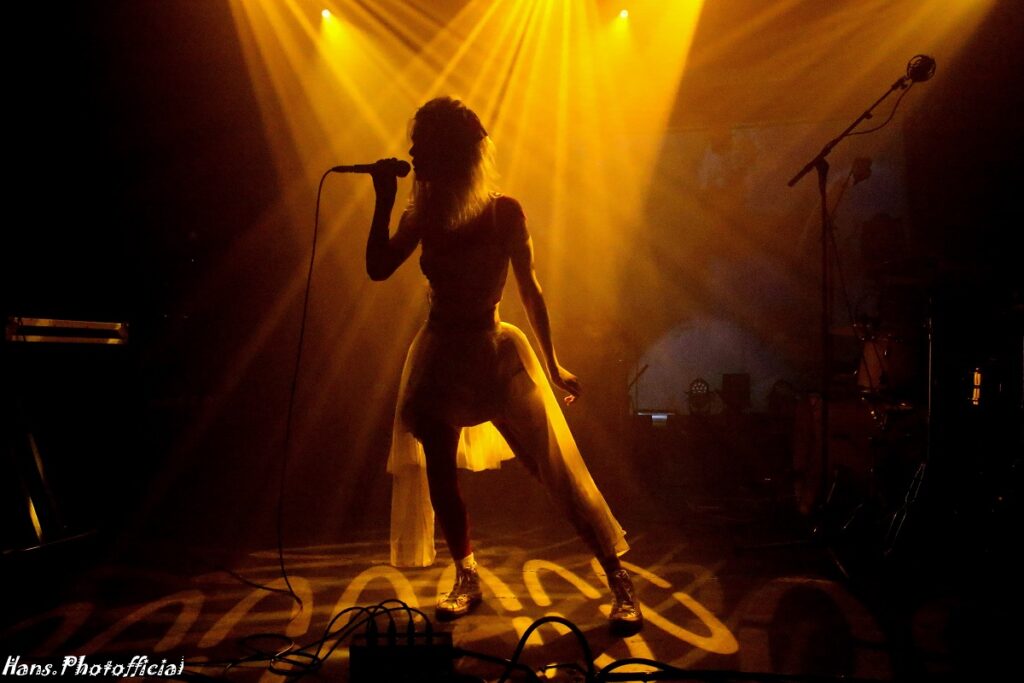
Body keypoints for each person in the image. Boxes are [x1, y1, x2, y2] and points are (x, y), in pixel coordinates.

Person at [365, 96, 641, 631]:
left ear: (449, 152)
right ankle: (466, 574)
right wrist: (383, 201)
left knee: (551, 467)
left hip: (492, 350)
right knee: (440, 468)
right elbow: (378, 267)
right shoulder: (424, 213)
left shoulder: (503, 211)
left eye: (421, 145)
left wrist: (554, 365)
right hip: (441, 351)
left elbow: (530, 290)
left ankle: (618, 577)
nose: (412, 154)